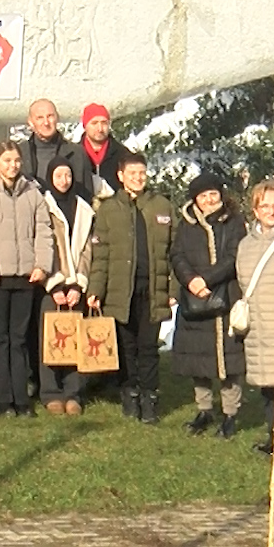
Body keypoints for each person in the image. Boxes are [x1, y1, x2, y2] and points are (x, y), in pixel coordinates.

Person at [86, 150, 176, 424]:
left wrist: (174, 291)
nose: (138, 178)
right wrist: (95, 290)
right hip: (119, 289)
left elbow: (174, 251)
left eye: (142, 173)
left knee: (148, 346)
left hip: (152, 288)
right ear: (121, 176)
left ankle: (150, 398)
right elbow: (101, 254)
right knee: (126, 345)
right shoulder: (109, 209)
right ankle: (130, 392)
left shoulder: (162, 206)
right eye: (132, 173)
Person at [0, 141, 53, 418]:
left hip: (26, 274)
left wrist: (42, 265)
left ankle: (20, 397)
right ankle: (0, 397)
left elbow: (43, 230)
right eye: (6, 160)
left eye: (16, 160)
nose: (12, 165)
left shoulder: (33, 193)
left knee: (19, 338)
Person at [170, 173, 247, 438]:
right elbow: (177, 255)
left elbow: (234, 255)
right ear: (196, 200)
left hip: (226, 295)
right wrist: (191, 281)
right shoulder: (186, 225)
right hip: (195, 299)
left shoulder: (234, 222)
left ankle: (230, 413)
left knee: (229, 362)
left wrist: (208, 279)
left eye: (213, 194)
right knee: (198, 361)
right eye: (203, 196)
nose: (209, 200)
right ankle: (204, 410)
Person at [236, 179, 274, 454]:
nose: (271, 211)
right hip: (257, 330)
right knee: (267, 388)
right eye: (264, 205)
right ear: (255, 210)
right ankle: (273, 438)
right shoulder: (245, 244)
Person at [39, 161, 94, 414]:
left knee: (76, 341)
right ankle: (50, 391)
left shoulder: (84, 208)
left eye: (68, 174)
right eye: (59, 175)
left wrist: (79, 284)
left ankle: (74, 393)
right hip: (52, 284)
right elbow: (41, 246)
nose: (64, 180)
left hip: (75, 285)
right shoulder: (43, 206)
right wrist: (54, 284)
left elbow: (87, 249)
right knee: (50, 338)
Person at [20, 99, 89, 192]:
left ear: (57, 118)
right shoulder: (19, 153)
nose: (46, 123)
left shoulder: (77, 153)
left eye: (50, 116)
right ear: (31, 122)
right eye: (39, 118)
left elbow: (87, 195)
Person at [77, 104, 130, 199]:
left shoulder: (123, 154)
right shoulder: (74, 154)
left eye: (104, 123)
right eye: (94, 123)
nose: (100, 129)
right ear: (85, 126)